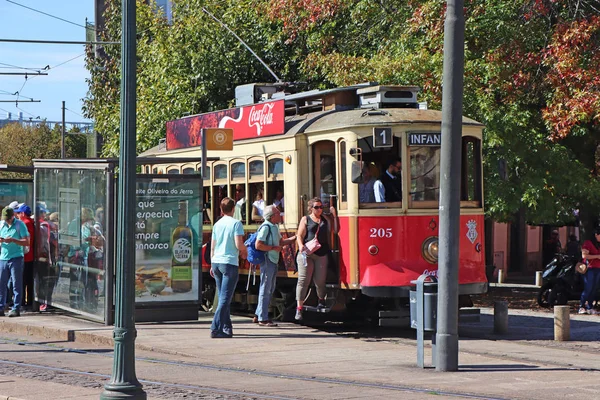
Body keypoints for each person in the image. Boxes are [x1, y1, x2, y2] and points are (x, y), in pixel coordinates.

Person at [294, 197, 339, 321]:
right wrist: (301, 245)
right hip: (307, 253)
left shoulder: (325, 219)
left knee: (320, 280)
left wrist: (334, 216)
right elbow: (299, 235)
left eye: (321, 207)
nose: (320, 209)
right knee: (303, 280)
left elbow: (335, 231)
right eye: (317, 207)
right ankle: (299, 308)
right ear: (311, 208)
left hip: (321, 253)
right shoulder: (306, 219)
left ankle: (321, 300)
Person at [210, 197, 247, 338]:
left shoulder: (217, 224)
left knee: (222, 296)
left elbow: (212, 246)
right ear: (233, 209)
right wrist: (245, 251)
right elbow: (239, 245)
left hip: (217, 262)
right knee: (225, 298)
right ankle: (215, 327)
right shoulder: (236, 223)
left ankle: (226, 327)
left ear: (221, 209)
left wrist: (212, 264)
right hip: (229, 262)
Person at [254, 205, 296, 326]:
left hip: (273, 260)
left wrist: (295, 238)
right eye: (278, 213)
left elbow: (281, 242)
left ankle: (258, 314)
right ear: (272, 217)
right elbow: (258, 245)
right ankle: (263, 318)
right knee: (266, 288)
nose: (280, 215)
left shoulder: (273, 226)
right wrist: (273, 248)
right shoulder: (266, 227)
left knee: (269, 288)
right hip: (268, 260)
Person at [0, 207, 30, 317]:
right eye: (5, 219)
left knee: (16, 284)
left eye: (8, 218)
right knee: (1, 284)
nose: (7, 221)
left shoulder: (20, 225)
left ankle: (16, 307)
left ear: (13, 216)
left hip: (16, 258)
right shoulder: (1, 225)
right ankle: (1, 306)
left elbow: (27, 242)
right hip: (3, 258)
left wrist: (13, 240)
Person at [14, 204, 34, 310]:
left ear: (22, 214)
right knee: (29, 281)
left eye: (18, 213)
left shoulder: (24, 224)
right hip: (31, 256)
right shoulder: (32, 223)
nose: (17, 215)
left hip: (25, 256)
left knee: (22, 281)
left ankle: (22, 302)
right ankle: (29, 301)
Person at [579, 228, 600, 314]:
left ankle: (590, 307)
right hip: (590, 268)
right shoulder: (588, 243)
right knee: (588, 287)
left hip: (598, 268)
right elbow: (584, 256)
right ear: (596, 235)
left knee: (594, 288)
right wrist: (597, 256)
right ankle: (581, 306)